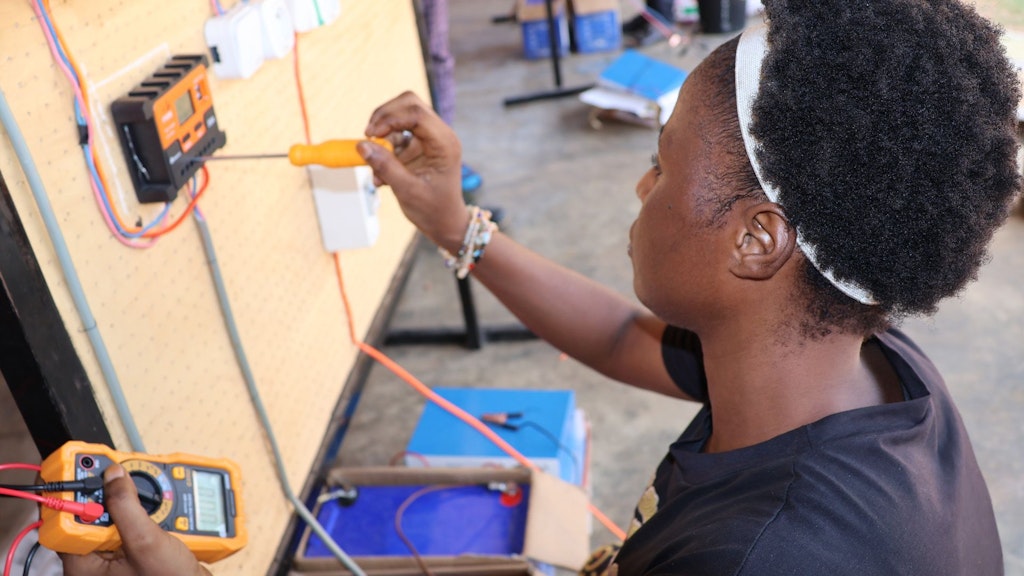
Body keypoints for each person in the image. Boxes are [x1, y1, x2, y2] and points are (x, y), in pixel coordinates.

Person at [63, 0, 1018, 572]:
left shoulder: (768, 556)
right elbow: (621, 338)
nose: (639, 188)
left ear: (759, 239)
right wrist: (454, 225)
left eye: (661, 161)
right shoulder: (855, 362)